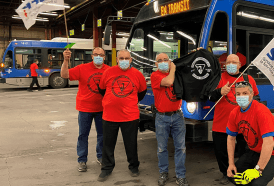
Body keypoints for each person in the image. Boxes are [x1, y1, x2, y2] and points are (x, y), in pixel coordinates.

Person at [226, 81, 274, 186]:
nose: (241, 96)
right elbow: (231, 138)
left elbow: (269, 143)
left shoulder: (261, 111)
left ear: (252, 94)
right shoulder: (234, 113)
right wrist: (231, 164)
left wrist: (258, 170)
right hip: (254, 151)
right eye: (238, 94)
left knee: (257, 183)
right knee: (234, 176)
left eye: (245, 93)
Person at [97, 50, 147, 182]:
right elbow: (102, 89)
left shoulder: (137, 74)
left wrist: (129, 102)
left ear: (131, 60)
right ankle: (106, 168)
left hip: (130, 117)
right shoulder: (108, 72)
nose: (124, 60)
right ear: (116, 59)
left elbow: (142, 92)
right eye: (121, 58)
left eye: (126, 58)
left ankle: (134, 166)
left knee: (131, 144)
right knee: (108, 144)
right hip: (109, 116)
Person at [209, 54, 259, 185]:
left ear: (239, 64)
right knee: (221, 151)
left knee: (244, 150)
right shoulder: (218, 77)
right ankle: (226, 173)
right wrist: (219, 91)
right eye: (228, 62)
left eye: (233, 62)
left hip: (243, 124)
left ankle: (242, 173)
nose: (230, 64)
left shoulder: (248, 79)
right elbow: (208, 96)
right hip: (221, 124)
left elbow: (257, 98)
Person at [61, 47, 110, 172]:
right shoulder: (82, 68)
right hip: (85, 109)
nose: (98, 56)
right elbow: (64, 74)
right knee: (83, 135)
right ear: (92, 56)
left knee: (102, 135)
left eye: (101, 55)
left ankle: (101, 156)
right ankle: (82, 160)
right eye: (96, 54)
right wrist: (66, 60)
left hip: (102, 109)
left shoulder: (109, 71)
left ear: (104, 57)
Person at [151, 53, 189, 186]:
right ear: (156, 64)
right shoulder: (155, 76)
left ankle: (180, 176)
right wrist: (173, 69)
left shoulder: (177, 74)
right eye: (159, 60)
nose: (162, 62)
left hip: (178, 116)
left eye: (165, 60)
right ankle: (163, 172)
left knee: (181, 148)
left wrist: (196, 52)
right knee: (162, 148)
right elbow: (168, 82)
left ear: (169, 61)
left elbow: (187, 63)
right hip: (162, 117)